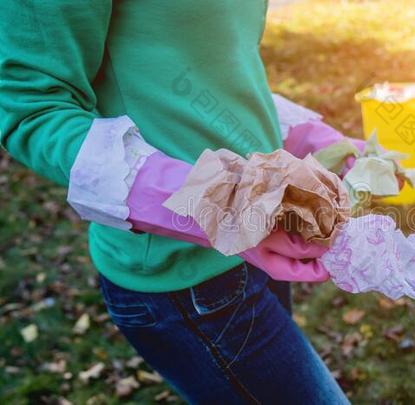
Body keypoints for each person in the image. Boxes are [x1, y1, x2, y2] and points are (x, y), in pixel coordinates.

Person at [0, 1, 364, 403]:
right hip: (184, 282)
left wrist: (305, 138)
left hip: (258, 240)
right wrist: (226, 203)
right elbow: (29, 106)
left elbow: (200, 65)